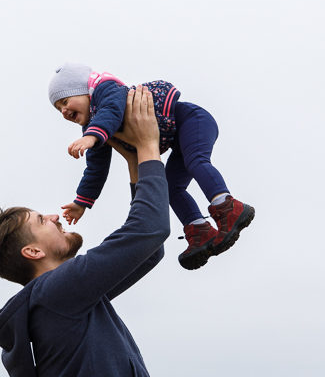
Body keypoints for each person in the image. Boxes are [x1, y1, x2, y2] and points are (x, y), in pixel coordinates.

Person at [0, 87, 168, 377]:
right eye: (41, 220)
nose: (55, 216)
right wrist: (147, 146)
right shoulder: (57, 292)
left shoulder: (63, 300)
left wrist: (134, 162)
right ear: (33, 252)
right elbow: (150, 230)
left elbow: (149, 250)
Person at [48, 63, 254, 270]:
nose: (64, 111)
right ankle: (200, 230)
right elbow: (96, 169)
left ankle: (227, 205)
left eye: (65, 101)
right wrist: (82, 201)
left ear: (85, 92)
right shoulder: (94, 127)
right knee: (170, 189)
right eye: (59, 109)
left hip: (192, 120)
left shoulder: (105, 90)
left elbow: (111, 111)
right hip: (177, 139)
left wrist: (92, 137)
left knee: (196, 162)